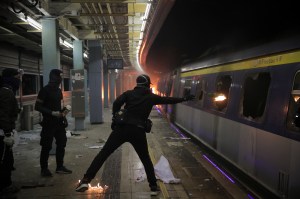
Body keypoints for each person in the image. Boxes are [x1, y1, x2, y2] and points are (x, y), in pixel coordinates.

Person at [75, 74, 194, 196]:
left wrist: (115, 115)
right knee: (145, 159)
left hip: (121, 129)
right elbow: (169, 100)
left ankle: (85, 180)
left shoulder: (128, 94)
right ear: (148, 85)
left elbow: (116, 103)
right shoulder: (150, 97)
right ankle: (153, 187)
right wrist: (184, 99)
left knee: (103, 153)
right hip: (138, 131)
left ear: (137, 84)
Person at [35, 69, 72, 177]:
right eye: (59, 77)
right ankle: (44, 169)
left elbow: (58, 106)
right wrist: (51, 113)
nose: (60, 79)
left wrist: (63, 113)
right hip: (48, 123)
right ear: (53, 77)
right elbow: (37, 106)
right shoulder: (44, 90)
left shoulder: (58, 90)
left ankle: (59, 167)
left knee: (62, 143)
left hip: (59, 123)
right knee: (46, 145)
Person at [0, 68, 22, 195]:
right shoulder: (6, 92)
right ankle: (5, 186)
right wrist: (8, 133)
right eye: (17, 77)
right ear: (10, 78)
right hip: (3, 133)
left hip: (3, 131)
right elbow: (3, 114)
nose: (18, 80)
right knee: (5, 161)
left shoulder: (6, 90)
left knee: (8, 159)